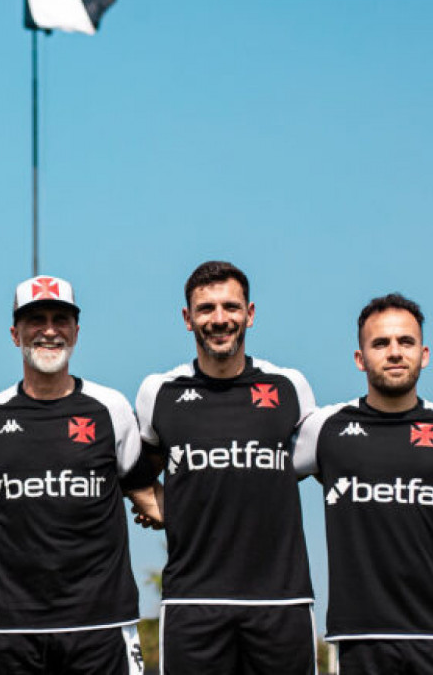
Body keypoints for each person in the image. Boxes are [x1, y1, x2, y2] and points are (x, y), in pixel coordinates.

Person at [294, 293, 433, 674]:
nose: (394, 352)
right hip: (361, 640)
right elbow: (255, 478)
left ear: (424, 354)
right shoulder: (324, 429)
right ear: (360, 359)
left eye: (405, 342)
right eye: (380, 343)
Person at [0, 275, 155, 675]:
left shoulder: (111, 408)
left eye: (61, 319)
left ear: (76, 331)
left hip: (102, 626)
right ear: (14, 333)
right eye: (35, 319)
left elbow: (149, 497)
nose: (49, 330)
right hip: (13, 630)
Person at [133, 260, 318, 674]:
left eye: (231, 307)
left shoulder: (289, 386)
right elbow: (137, 470)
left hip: (281, 600)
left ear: (249, 313)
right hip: (193, 602)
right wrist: (159, 503)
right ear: (187, 319)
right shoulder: (159, 391)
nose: (219, 320)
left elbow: (319, 464)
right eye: (206, 309)